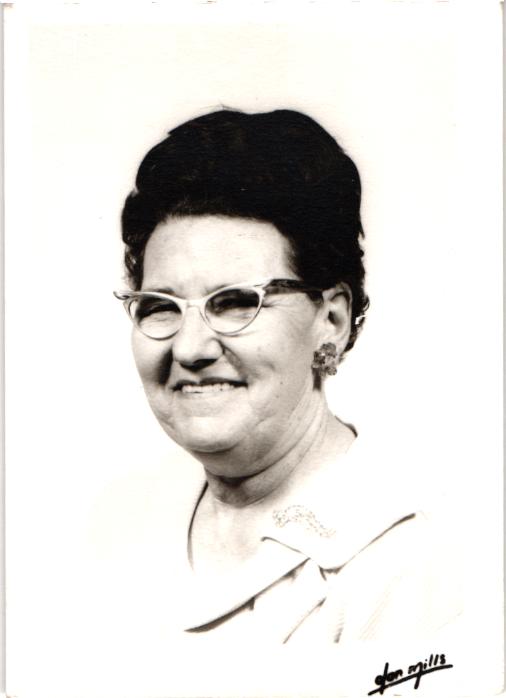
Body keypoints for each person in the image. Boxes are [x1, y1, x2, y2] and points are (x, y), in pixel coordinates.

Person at [114, 108, 459, 649]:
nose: (189, 347)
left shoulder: (411, 566)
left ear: (332, 320)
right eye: (161, 306)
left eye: (235, 302)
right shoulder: (111, 526)